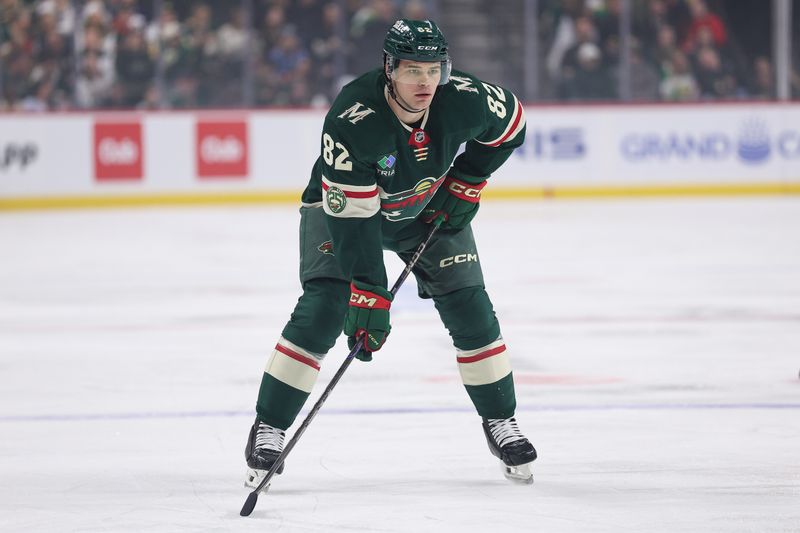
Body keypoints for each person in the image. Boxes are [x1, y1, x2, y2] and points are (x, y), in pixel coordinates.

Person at [245, 19, 537, 489]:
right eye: (412, 70)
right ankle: (269, 427)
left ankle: (501, 421)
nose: (425, 83)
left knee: (471, 306)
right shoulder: (352, 119)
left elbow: (513, 123)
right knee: (325, 307)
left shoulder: (461, 98)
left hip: (423, 207)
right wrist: (367, 290)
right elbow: (354, 221)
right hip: (342, 212)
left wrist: (469, 179)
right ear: (389, 69)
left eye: (433, 70)